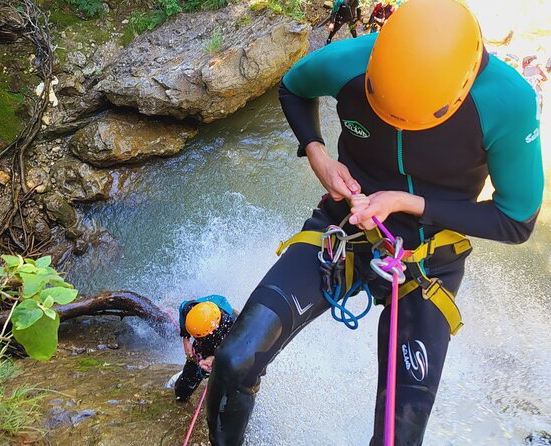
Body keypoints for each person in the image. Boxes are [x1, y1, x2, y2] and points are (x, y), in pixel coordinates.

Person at [206, 0, 543, 445]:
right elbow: (293, 88)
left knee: (396, 439)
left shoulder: (506, 101)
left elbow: (516, 220)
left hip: (425, 263)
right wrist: (317, 154)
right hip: (341, 232)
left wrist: (409, 202)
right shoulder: (354, 60)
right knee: (235, 360)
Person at [174, 295, 235, 403]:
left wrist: (213, 358)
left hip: (224, 339)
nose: (196, 340)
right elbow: (182, 306)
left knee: (225, 386)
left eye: (198, 338)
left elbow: (234, 352)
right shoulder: (190, 309)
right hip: (207, 320)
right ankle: (183, 391)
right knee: (183, 390)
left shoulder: (231, 327)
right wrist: (186, 338)